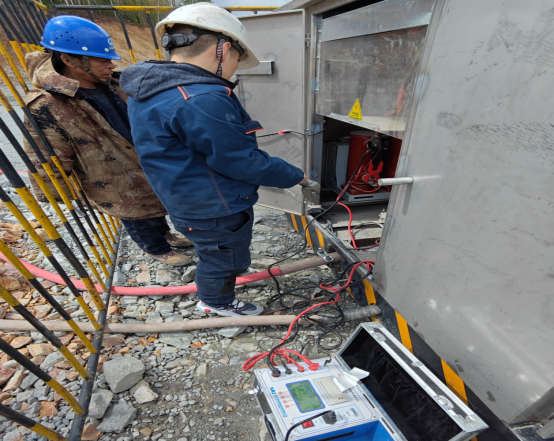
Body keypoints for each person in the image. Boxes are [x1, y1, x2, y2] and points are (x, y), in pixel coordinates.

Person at [121, 3, 320, 316]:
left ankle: (223, 277)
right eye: (237, 61)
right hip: (212, 205)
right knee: (221, 257)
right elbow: (241, 160)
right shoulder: (200, 98)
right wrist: (298, 177)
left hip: (185, 195)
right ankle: (216, 302)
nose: (235, 70)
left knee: (218, 251)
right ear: (224, 49)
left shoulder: (152, 88)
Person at [23, 15, 193, 266]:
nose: (111, 65)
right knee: (135, 211)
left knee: (154, 202)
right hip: (109, 174)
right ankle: (156, 248)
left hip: (141, 159)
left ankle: (165, 234)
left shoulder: (111, 84)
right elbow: (45, 155)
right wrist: (54, 192)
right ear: (69, 60)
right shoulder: (48, 104)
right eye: (102, 60)